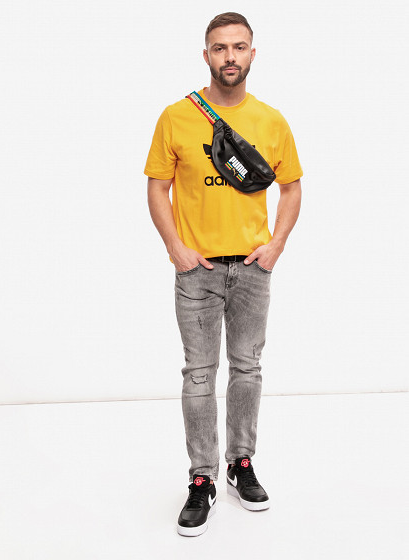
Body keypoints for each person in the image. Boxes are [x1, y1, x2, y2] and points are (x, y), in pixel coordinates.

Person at [144, 12, 303, 537]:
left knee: (247, 369)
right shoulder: (175, 117)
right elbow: (157, 187)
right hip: (197, 271)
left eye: (238, 47)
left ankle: (241, 464)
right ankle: (202, 477)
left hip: (252, 269)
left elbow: (292, 187)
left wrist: (275, 245)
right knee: (198, 374)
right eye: (219, 48)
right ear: (206, 55)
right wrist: (176, 248)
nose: (229, 56)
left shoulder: (272, 121)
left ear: (252, 53)